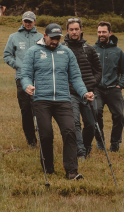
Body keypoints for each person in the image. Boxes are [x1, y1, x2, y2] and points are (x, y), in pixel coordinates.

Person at [20, 22, 94, 180]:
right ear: (45, 36)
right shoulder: (33, 52)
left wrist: (84, 93)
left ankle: (72, 171)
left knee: (70, 132)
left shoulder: (66, 52)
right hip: (41, 100)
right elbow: (25, 74)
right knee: (46, 134)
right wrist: (27, 85)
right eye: (52, 38)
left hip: (63, 100)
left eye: (57, 38)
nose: (55, 41)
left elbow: (76, 77)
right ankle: (48, 166)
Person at [63, 17, 102, 160]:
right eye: (71, 29)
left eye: (76, 29)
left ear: (81, 30)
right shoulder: (62, 50)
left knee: (91, 124)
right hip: (71, 92)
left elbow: (98, 70)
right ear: (67, 31)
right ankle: (80, 152)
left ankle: (86, 148)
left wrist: (92, 83)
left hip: (89, 92)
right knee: (75, 123)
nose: (74, 32)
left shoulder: (89, 49)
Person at [3, 11, 42, 147]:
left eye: (30, 21)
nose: (27, 23)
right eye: (25, 21)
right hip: (21, 77)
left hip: (39, 78)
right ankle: (31, 141)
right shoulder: (13, 37)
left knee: (40, 108)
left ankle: (43, 136)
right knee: (26, 110)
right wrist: (18, 65)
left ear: (34, 22)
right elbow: (7, 55)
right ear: (22, 21)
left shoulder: (41, 37)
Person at [93, 21, 124, 152]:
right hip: (97, 89)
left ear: (110, 33)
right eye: (99, 32)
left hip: (114, 88)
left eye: (104, 32)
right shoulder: (92, 50)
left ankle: (115, 143)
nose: (101, 34)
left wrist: (120, 85)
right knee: (95, 112)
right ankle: (100, 141)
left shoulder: (118, 52)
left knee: (119, 115)